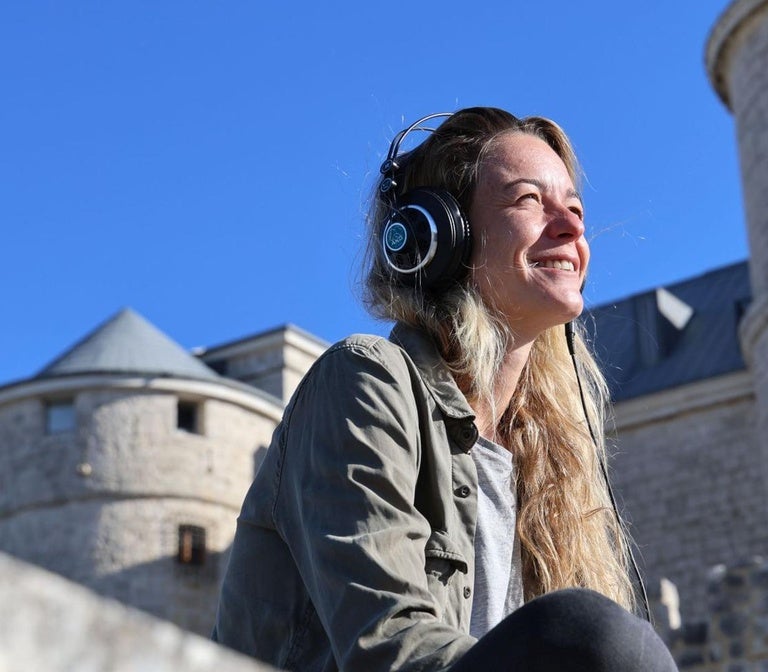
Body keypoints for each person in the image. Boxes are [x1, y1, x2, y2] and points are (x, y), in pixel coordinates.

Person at [213, 107, 677, 672]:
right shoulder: (365, 381)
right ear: (440, 236)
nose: (572, 226)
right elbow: (387, 644)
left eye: (575, 207)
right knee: (597, 638)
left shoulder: (548, 460)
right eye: (529, 200)